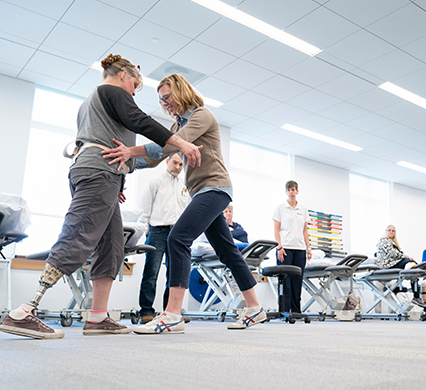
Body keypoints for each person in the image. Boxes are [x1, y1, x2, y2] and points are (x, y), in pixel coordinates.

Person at [0, 54, 201, 339]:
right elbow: (139, 121)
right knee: (79, 234)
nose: (133, 92)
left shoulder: (92, 102)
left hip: (102, 174)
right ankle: (25, 311)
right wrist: (178, 140)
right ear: (123, 76)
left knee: (112, 244)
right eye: (134, 85)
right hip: (98, 173)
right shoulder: (111, 91)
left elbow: (114, 145)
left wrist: (117, 180)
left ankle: (97, 317)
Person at [103, 73, 265, 333]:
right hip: (202, 191)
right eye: (161, 100)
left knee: (177, 238)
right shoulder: (178, 127)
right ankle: (255, 307)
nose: (165, 103)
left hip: (215, 188)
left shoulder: (201, 115)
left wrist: (130, 150)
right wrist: (125, 164)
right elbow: (157, 157)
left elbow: (167, 147)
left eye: (167, 97)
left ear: (180, 91)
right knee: (227, 251)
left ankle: (173, 314)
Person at [137, 154, 190, 324]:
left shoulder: (184, 185)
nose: (178, 167)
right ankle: (146, 311)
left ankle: (171, 311)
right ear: (167, 162)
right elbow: (145, 207)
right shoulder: (156, 181)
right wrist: (146, 228)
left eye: (181, 164)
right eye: (175, 163)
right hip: (157, 230)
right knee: (151, 271)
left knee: (174, 273)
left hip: (178, 232)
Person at [272, 180, 312, 314]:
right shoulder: (280, 208)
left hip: (300, 249)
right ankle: (284, 311)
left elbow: (305, 230)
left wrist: (308, 248)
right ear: (286, 192)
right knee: (285, 282)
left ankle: (296, 311)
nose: (291, 192)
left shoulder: (303, 209)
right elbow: (276, 230)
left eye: (293, 189)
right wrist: (279, 247)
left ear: (297, 191)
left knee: (297, 282)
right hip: (285, 248)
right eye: (289, 190)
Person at [376, 225, 425, 308]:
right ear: (386, 231)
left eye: (393, 231)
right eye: (389, 230)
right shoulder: (384, 240)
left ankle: (416, 293)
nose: (391, 232)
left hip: (392, 264)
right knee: (411, 263)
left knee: (412, 269)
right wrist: (407, 257)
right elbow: (393, 253)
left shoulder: (392, 242)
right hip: (387, 266)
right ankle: (416, 295)